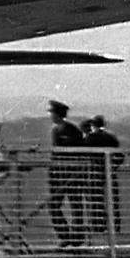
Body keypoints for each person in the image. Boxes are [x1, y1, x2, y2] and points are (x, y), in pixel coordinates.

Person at [47, 100, 86, 245]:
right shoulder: (68, 129)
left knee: (59, 205)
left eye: (52, 113)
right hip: (67, 173)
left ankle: (68, 237)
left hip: (66, 173)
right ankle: (75, 237)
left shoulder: (62, 130)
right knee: (75, 205)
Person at [83, 115, 121, 234]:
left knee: (95, 199)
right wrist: (114, 166)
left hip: (94, 171)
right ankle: (115, 225)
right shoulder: (111, 137)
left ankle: (98, 225)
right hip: (109, 171)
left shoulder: (90, 138)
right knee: (112, 199)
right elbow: (120, 156)